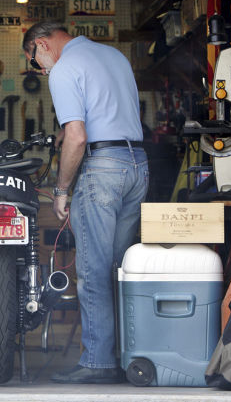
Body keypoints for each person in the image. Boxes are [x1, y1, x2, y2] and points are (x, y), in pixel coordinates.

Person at [22, 21, 149, 384]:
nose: (40, 70)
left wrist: (61, 190)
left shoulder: (63, 69)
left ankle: (97, 361)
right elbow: (103, 112)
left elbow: (77, 138)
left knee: (93, 271)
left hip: (103, 171)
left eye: (35, 62)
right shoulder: (113, 56)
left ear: (42, 45)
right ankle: (127, 356)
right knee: (120, 271)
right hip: (136, 165)